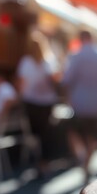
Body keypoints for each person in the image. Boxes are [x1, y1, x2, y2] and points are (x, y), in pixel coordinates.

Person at [62, 31, 97, 183]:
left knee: (75, 131)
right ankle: (87, 162)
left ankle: (83, 159)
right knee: (92, 135)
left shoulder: (76, 56)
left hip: (80, 102)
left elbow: (67, 79)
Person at [17, 33, 59, 176]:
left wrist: (20, 98)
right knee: (45, 135)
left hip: (32, 102)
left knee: (35, 135)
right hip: (46, 102)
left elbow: (22, 84)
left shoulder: (27, 62)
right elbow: (56, 80)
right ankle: (44, 163)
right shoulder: (49, 61)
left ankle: (39, 162)